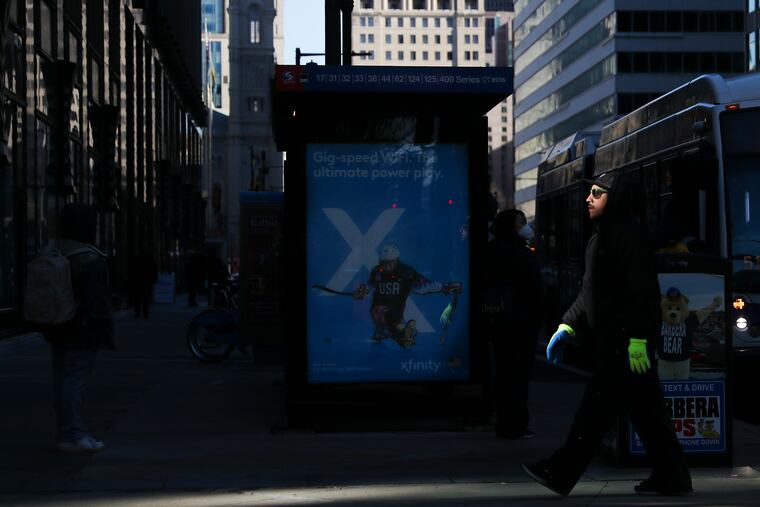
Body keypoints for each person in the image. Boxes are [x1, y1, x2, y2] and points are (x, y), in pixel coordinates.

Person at [522, 171, 692, 496]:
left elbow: (641, 292)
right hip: (619, 342)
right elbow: (590, 292)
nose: (589, 198)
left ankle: (561, 471)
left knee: (596, 411)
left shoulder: (627, 235)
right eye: (591, 192)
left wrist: (639, 341)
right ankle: (673, 477)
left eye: (597, 193)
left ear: (616, 199)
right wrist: (567, 325)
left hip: (624, 343)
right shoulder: (602, 237)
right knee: (647, 413)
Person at [44, 203, 114, 453]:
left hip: (56, 326)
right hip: (81, 330)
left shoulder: (55, 250)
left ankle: (66, 431)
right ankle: (73, 434)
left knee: (61, 380)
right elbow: (96, 301)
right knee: (73, 382)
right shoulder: (88, 256)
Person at [481, 209, 542, 439]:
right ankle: (516, 424)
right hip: (522, 322)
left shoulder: (489, 251)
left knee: (503, 372)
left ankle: (502, 422)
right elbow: (536, 289)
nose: (526, 227)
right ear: (511, 227)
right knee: (519, 376)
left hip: (496, 319)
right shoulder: (523, 255)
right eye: (521, 223)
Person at [351, 244, 461, 348]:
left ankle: (403, 334)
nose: (387, 267)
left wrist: (445, 287)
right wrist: (362, 291)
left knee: (394, 317)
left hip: (397, 313)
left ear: (396, 261)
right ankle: (404, 331)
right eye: (384, 263)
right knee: (389, 314)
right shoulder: (377, 272)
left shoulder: (407, 273)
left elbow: (424, 285)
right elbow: (369, 287)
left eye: (390, 263)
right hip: (378, 310)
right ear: (380, 262)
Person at [130, 247, 158, 318]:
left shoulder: (136, 258)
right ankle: (145, 313)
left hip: (138, 280)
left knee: (137, 296)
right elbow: (154, 268)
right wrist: (154, 278)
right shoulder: (149, 258)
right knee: (146, 297)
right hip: (147, 280)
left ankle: (137, 311)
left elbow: (132, 269)